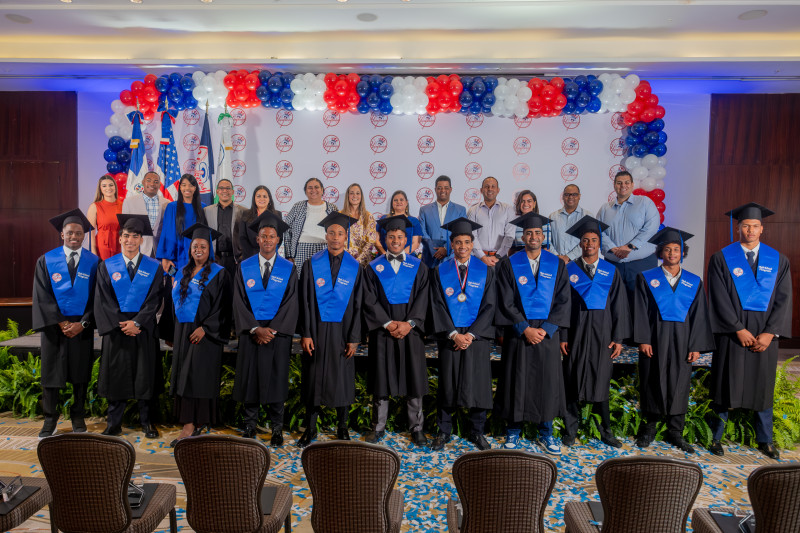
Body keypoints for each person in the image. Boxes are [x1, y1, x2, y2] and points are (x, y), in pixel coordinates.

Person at [706, 203, 792, 460]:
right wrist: (737, 329)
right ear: (738, 227)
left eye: (755, 226)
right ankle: (715, 437)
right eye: (745, 226)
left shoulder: (779, 260)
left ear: (762, 229)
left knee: (762, 386)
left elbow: (784, 299)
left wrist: (770, 333)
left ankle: (764, 440)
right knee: (724, 384)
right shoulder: (722, 258)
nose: (750, 230)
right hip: (733, 335)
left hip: (764, 336)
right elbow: (718, 297)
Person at [634, 227, 715, 453]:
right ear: (661, 252)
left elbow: (700, 315)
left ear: (682, 252)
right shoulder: (647, 278)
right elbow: (640, 310)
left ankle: (675, 431)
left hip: (683, 339)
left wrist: (696, 345)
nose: (672, 253)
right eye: (667, 249)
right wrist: (643, 339)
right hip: (654, 339)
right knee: (652, 379)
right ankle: (649, 428)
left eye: (676, 249)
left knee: (680, 382)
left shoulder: (693, 281)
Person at [495, 212, 571, 455]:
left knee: (547, 382)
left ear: (543, 236)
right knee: (516, 380)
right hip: (520, 334)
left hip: (547, 336)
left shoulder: (557, 264)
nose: (533, 236)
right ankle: (513, 431)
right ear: (522, 236)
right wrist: (524, 328)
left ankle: (546, 432)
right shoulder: (509, 264)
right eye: (529, 233)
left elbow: (563, 301)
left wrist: (546, 329)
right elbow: (505, 302)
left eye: (537, 233)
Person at [559, 215, 631, 449]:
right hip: (576, 335)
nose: (589, 244)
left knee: (601, 382)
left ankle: (605, 431)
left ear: (599, 243)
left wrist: (618, 338)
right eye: (585, 240)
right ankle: (570, 430)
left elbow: (620, 305)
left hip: (602, 335)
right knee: (571, 381)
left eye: (594, 240)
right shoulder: (569, 270)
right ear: (580, 243)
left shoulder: (611, 272)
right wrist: (563, 336)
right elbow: (562, 305)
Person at [428, 217, 496, 451]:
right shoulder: (440, 271)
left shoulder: (485, 271)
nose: (463, 247)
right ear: (452, 244)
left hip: (476, 339)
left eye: (467, 242)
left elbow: (490, 306)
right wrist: (454, 334)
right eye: (458, 242)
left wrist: (472, 335)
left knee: (478, 384)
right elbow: (436, 305)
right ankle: (444, 430)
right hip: (451, 338)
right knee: (448, 383)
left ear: (472, 243)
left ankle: (477, 431)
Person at [362, 215, 430, 447]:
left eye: (400, 237)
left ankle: (416, 428)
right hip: (384, 332)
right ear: (385, 238)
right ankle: (378, 426)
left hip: (410, 333)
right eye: (391, 236)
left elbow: (423, 299)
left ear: (406, 239)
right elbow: (369, 300)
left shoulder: (419, 267)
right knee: (382, 379)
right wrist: (387, 323)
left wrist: (409, 324)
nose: (395, 240)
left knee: (414, 380)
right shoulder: (373, 268)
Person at [94, 214, 164, 439]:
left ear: (141, 241)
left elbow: (155, 299)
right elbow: (103, 300)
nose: (130, 240)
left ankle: (147, 422)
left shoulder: (154, 267)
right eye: (126, 236)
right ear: (119, 238)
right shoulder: (107, 266)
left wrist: (137, 323)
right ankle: (113, 424)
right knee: (117, 377)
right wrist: (122, 324)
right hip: (118, 332)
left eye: (135, 236)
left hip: (142, 331)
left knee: (145, 377)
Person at [232, 211, 298, 447]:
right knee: (251, 379)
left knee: (276, 380)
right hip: (252, 335)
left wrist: (272, 330)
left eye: (272, 236)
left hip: (276, 336)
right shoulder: (244, 267)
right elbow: (238, 301)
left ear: (278, 239)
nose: (268, 240)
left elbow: (292, 302)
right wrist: (254, 328)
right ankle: (250, 425)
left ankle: (277, 428)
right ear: (257, 239)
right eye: (263, 236)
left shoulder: (288, 269)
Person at [297, 212, 363, 447]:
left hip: (343, 333)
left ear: (346, 237)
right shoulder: (311, 264)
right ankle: (311, 428)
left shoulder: (355, 268)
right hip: (316, 330)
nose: (336, 237)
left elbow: (358, 305)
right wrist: (305, 333)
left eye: (340, 233)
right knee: (313, 379)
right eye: (332, 232)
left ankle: (342, 427)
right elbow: (304, 301)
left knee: (342, 380)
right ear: (325, 235)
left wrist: (354, 338)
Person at [32, 209, 99, 438]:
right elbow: (42, 295)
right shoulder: (47, 260)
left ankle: (78, 416)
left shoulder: (94, 263)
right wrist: (60, 322)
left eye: (79, 233)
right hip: (55, 330)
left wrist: (84, 323)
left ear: (84, 235)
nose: (74, 237)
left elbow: (97, 299)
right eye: (70, 232)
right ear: (62, 234)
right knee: (51, 376)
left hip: (81, 329)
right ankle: (50, 420)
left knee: (80, 375)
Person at [169, 223, 231, 447]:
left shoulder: (220, 273)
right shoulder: (181, 272)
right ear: (190, 248)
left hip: (205, 334)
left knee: (199, 376)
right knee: (184, 375)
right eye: (195, 246)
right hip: (183, 331)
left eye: (203, 247)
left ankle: (196, 422)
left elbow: (224, 307)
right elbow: (172, 304)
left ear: (209, 250)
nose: (198, 250)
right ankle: (188, 421)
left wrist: (205, 328)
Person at [596, 171, 660, 300]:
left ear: (632, 185)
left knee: (642, 304)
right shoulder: (605, 209)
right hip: (614, 264)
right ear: (614, 186)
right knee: (615, 305)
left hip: (642, 264)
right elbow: (598, 231)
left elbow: (651, 227)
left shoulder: (644, 202)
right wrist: (613, 249)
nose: (623, 186)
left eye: (626, 182)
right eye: (619, 183)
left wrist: (630, 246)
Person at [285, 178, 338, 275]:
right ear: (305, 191)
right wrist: (289, 254)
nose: (313, 190)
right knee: (302, 281)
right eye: (310, 188)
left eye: (317, 187)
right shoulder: (298, 206)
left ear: (322, 190)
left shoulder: (332, 208)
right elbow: (286, 229)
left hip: (324, 249)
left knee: (322, 280)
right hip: (301, 249)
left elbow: (338, 230)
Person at [157, 173, 208, 273]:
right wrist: (166, 257)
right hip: (176, 254)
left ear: (195, 188)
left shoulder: (203, 207)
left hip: (198, 254)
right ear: (180, 187)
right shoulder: (172, 207)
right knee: (176, 283)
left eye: (190, 185)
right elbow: (167, 233)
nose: (187, 188)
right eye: (184, 185)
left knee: (197, 284)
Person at [418, 176, 467, 268]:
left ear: (451, 189)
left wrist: (446, 248)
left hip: (452, 258)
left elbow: (461, 233)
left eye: (446, 188)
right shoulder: (424, 210)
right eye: (439, 188)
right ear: (435, 189)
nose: (443, 190)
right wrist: (434, 251)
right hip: (430, 258)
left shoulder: (460, 210)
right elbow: (422, 232)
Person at [467, 176, 515, 266]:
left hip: (501, 259)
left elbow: (509, 236)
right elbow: (472, 236)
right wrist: (483, 257)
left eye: (493, 186)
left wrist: (498, 256)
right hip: (478, 258)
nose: (490, 189)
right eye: (487, 186)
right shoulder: (473, 210)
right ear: (481, 190)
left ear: (498, 190)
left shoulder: (508, 209)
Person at [121, 171, 169, 257]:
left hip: (160, 250)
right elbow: (125, 230)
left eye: (156, 181)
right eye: (149, 180)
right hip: (138, 249)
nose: (152, 184)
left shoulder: (167, 203)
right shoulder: (129, 202)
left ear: (159, 185)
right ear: (143, 182)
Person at [204, 178, 246, 278]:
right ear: (217, 191)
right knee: (216, 290)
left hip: (235, 260)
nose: (225, 191)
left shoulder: (243, 211)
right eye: (221, 188)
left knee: (233, 290)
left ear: (232, 192)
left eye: (228, 188)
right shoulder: (207, 211)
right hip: (214, 259)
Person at [341, 183, 383, 266]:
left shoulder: (368, 216)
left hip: (362, 263)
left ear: (361, 196)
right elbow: (337, 239)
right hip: (343, 261)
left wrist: (358, 260)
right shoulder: (340, 215)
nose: (354, 196)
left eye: (357, 193)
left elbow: (371, 242)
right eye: (352, 193)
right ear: (347, 196)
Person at [237, 185, 281, 262]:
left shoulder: (277, 215)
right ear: (254, 199)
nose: (261, 199)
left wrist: (268, 251)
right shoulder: (246, 214)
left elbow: (280, 238)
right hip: (250, 256)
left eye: (265, 196)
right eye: (258, 196)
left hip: (270, 256)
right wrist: (254, 254)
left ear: (269, 199)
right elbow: (242, 237)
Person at [87, 174, 122, 260]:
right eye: (104, 186)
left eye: (111, 185)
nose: (108, 188)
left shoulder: (123, 205)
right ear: (100, 189)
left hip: (120, 245)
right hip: (102, 247)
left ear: (115, 187)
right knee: (103, 271)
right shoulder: (95, 206)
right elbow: (90, 233)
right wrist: (93, 252)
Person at [548, 184, 585, 264]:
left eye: (574, 194)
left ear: (579, 196)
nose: (570, 197)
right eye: (567, 194)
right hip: (557, 262)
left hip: (579, 262)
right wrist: (557, 256)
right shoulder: (553, 217)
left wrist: (568, 257)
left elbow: (587, 241)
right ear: (562, 197)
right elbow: (548, 240)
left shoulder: (586, 216)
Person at [378, 191, 423, 256]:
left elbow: (415, 243)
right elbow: (376, 240)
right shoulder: (383, 218)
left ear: (406, 202)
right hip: (384, 256)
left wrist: (399, 256)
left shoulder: (414, 221)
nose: (398, 202)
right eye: (395, 200)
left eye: (401, 200)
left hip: (407, 256)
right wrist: (385, 254)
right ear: (392, 203)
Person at [509, 190, 543, 255]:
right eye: (522, 201)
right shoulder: (514, 223)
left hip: (538, 260)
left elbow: (546, 248)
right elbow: (512, 248)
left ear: (534, 204)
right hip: (518, 260)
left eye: (529, 201)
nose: (525, 204)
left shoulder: (543, 223)